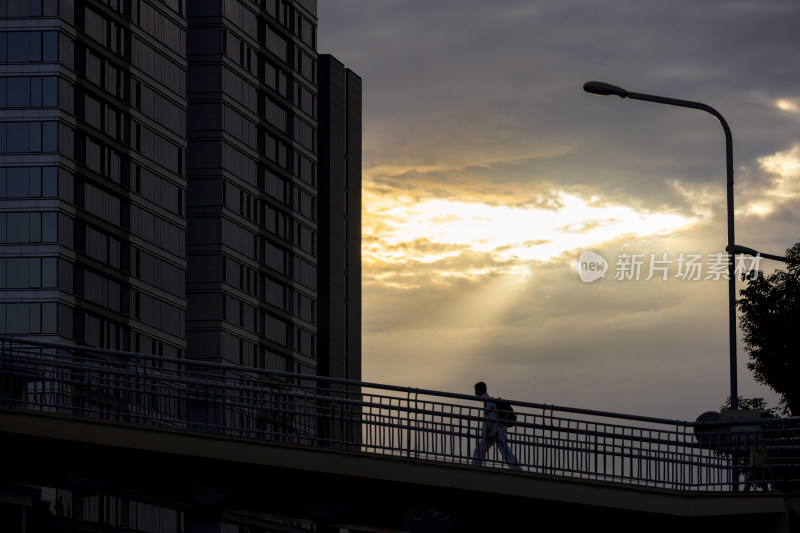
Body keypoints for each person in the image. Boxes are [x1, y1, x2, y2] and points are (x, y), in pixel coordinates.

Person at [471, 381, 522, 470]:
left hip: (495, 431)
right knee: (483, 449)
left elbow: (491, 416)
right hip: (494, 431)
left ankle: (517, 469)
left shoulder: (488, 401)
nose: (475, 393)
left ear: (480, 390)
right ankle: (475, 466)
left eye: (476, 390)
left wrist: (486, 431)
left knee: (504, 451)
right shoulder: (488, 400)